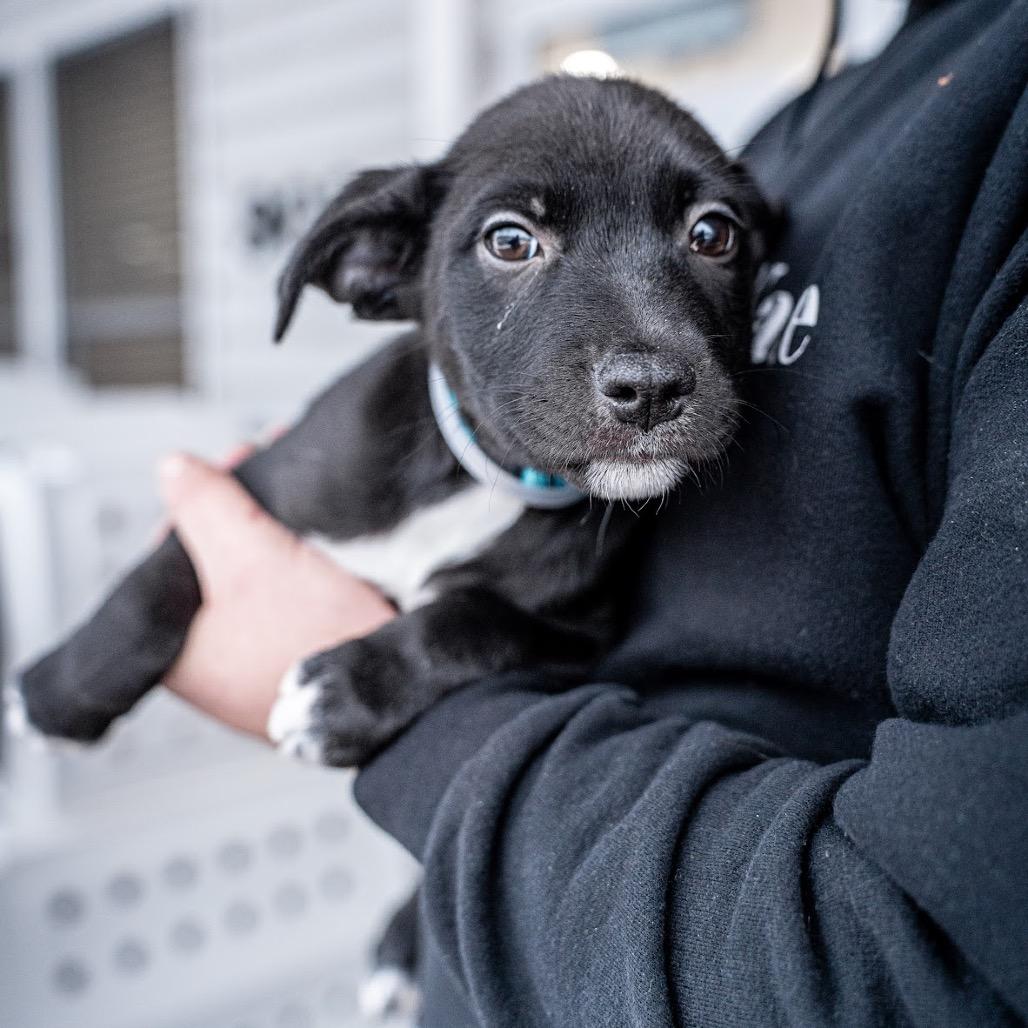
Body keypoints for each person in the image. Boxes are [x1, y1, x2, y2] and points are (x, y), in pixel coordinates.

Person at [160, 0, 1028, 1023]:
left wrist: (416, 722)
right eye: (515, 240)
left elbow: (935, 960)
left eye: (709, 236)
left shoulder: (998, 119)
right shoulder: (803, 116)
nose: (653, 351)